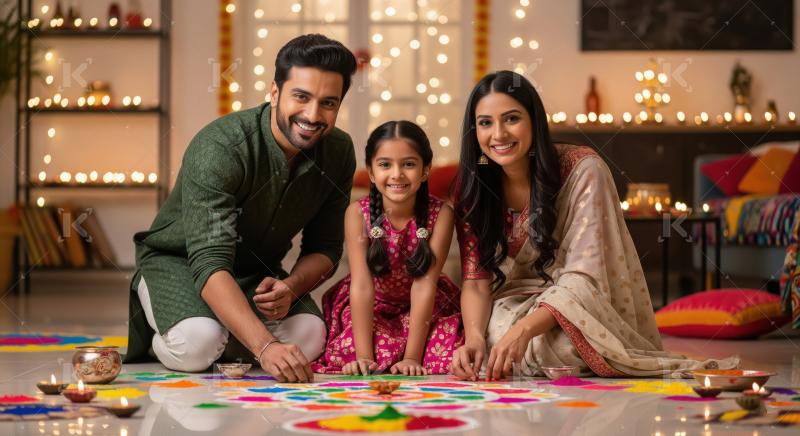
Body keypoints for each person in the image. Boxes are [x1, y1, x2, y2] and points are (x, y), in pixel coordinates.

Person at [450, 71, 737, 381]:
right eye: (485, 123)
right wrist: (475, 338)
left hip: (578, 306)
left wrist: (523, 331)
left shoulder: (582, 170)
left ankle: (520, 344)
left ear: (534, 121)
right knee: (482, 335)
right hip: (509, 305)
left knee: (560, 346)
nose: (499, 134)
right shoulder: (473, 188)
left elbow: (585, 277)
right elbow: (477, 281)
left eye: (511, 119)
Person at [124, 34, 358, 383]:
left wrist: (291, 287)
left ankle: (228, 334)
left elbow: (326, 248)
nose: (312, 115)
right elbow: (209, 260)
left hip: (255, 272)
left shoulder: (338, 151)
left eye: (328, 103)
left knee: (310, 335)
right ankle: (176, 331)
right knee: (198, 344)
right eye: (301, 97)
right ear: (275, 93)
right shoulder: (220, 146)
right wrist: (264, 347)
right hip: (179, 262)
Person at [312, 120, 463, 375]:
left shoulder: (442, 214)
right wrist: (364, 357)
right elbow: (361, 284)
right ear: (371, 172)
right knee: (350, 355)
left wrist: (413, 358)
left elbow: (425, 284)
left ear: (425, 170)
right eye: (385, 165)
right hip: (371, 304)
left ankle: (412, 354)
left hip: (425, 305)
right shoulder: (357, 214)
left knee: (444, 356)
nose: (397, 174)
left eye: (409, 164)